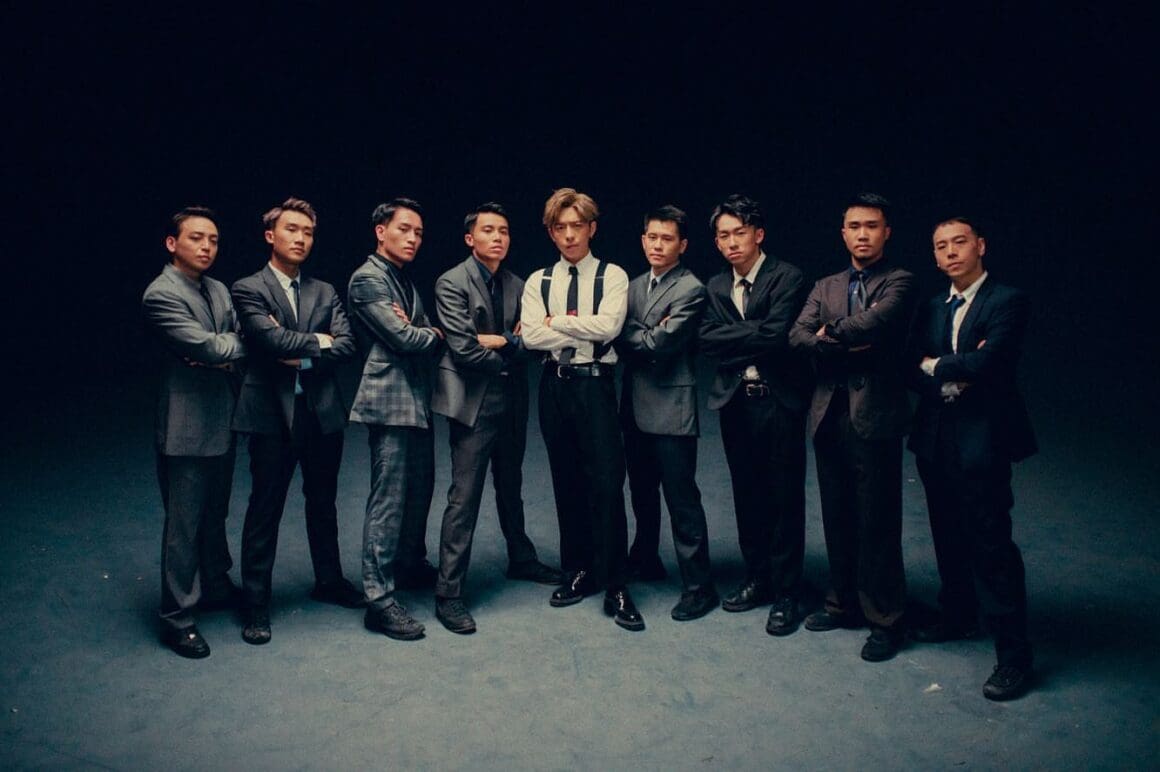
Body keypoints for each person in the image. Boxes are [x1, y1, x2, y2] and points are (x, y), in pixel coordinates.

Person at [907, 217, 1037, 700]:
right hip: (935, 440)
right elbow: (908, 366)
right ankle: (958, 616)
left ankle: (1014, 657)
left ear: (980, 245)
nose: (950, 252)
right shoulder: (931, 306)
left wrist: (937, 364)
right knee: (946, 534)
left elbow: (993, 361)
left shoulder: (1007, 300)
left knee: (991, 545)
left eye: (959, 242)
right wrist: (950, 373)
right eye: (940, 246)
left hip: (984, 442)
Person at [230, 197, 362, 646]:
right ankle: (255, 604)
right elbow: (267, 340)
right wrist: (318, 341)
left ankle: (329, 581)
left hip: (321, 412)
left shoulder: (324, 291)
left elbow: (348, 344)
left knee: (323, 502)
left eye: (308, 232)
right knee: (265, 507)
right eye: (292, 229)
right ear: (271, 235)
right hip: (272, 415)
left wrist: (300, 350)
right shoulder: (248, 288)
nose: (301, 238)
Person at [790, 192, 916, 662]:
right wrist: (842, 341)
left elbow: (877, 324)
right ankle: (842, 603)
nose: (863, 234)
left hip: (875, 415)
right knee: (837, 515)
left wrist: (831, 334)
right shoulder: (825, 285)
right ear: (843, 233)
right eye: (855, 226)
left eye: (872, 226)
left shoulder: (899, 280)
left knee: (877, 521)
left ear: (886, 232)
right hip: (828, 414)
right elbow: (797, 336)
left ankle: (885, 617)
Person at [429, 202, 563, 634]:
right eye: (488, 230)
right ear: (470, 239)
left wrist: (499, 341)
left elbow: (536, 342)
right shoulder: (451, 282)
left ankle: (521, 559)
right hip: (473, 403)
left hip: (512, 401)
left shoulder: (519, 284)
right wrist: (510, 346)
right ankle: (449, 594)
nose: (498, 238)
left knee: (511, 485)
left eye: (503, 231)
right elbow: (463, 349)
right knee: (464, 496)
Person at [519, 187, 641, 631]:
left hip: (595, 386)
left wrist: (555, 323)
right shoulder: (539, 280)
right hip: (555, 386)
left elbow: (608, 327)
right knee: (566, 481)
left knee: (607, 484)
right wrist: (572, 329)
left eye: (577, 226)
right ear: (551, 233)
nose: (569, 235)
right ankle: (579, 571)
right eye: (560, 228)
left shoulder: (613, 275)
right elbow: (531, 336)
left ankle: (616, 584)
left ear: (592, 228)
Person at [699, 194, 812, 635]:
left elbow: (778, 336)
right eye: (723, 235)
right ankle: (757, 578)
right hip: (735, 401)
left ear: (758, 234)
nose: (731, 243)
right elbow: (706, 340)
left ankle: (787, 593)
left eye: (739, 233)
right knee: (747, 495)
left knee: (784, 497)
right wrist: (753, 333)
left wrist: (735, 335)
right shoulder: (715, 286)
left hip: (778, 400)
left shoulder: (788, 276)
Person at [142, 205, 246, 658]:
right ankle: (177, 618)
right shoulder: (160, 294)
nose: (207, 247)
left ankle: (216, 585)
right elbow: (206, 346)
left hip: (223, 416)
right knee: (183, 526)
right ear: (172, 244)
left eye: (214, 240)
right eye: (196, 238)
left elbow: (232, 338)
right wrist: (219, 350)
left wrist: (221, 350)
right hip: (184, 426)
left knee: (216, 512)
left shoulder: (218, 288)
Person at [615, 205, 718, 621]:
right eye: (652, 237)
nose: (658, 245)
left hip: (673, 407)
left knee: (681, 498)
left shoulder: (691, 289)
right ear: (643, 240)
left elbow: (659, 344)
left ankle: (698, 586)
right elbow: (622, 336)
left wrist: (635, 333)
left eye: (667, 239)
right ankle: (646, 557)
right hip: (635, 404)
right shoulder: (633, 285)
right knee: (641, 491)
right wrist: (643, 332)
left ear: (683, 245)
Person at [348, 198, 443, 641]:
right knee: (388, 499)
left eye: (419, 232)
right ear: (380, 231)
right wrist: (429, 332)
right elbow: (406, 337)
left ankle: (409, 565)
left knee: (420, 491)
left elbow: (416, 329)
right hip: (389, 402)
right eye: (404, 229)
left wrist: (421, 330)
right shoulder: (368, 279)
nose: (413, 238)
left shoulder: (400, 279)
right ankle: (379, 599)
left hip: (417, 400)